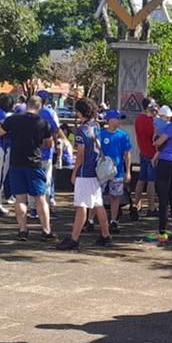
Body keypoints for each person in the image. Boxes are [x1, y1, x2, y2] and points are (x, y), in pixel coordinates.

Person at [0, 96, 56, 241]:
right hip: (34, 162)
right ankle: (46, 231)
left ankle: (23, 230)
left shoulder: (13, 119)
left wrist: (6, 131)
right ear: (39, 107)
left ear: (27, 105)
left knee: (20, 198)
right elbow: (49, 143)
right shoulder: (42, 123)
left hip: (16, 162)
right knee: (40, 198)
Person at [57, 99, 112, 250]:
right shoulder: (96, 126)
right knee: (97, 203)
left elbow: (80, 154)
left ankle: (74, 238)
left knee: (81, 205)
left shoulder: (82, 129)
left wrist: (74, 171)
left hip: (84, 171)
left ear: (81, 112)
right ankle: (105, 235)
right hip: (94, 170)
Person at [146, 100, 172, 244]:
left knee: (163, 197)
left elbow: (158, 142)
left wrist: (156, 139)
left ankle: (162, 232)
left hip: (166, 161)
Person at [99, 109, 132, 234]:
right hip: (102, 171)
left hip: (117, 171)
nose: (119, 121)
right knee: (97, 196)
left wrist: (128, 171)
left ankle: (113, 220)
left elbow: (127, 153)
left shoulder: (123, 135)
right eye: (117, 118)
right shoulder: (101, 134)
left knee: (115, 196)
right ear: (110, 120)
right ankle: (91, 219)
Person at [131, 98, 159, 221]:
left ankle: (136, 204)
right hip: (152, 153)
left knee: (141, 179)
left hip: (143, 151)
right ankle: (151, 207)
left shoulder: (138, 120)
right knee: (151, 181)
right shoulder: (151, 121)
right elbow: (155, 136)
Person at [36, 90, 62, 210]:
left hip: (32, 150)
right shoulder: (48, 112)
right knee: (46, 179)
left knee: (34, 179)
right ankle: (45, 206)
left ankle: (33, 208)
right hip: (46, 151)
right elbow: (56, 130)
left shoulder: (30, 111)